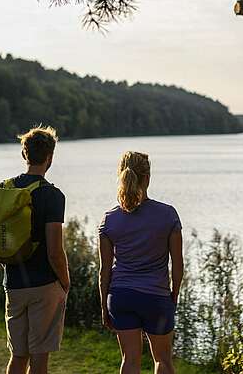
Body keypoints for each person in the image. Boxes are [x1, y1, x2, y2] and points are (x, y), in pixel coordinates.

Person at [98, 151, 184, 374]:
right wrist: (173, 294)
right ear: (147, 178)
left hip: (120, 297)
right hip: (156, 297)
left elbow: (104, 271)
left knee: (129, 360)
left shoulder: (110, 219)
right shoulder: (168, 215)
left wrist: (104, 306)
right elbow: (178, 265)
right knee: (163, 361)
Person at [3, 126, 70, 374]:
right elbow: (55, 250)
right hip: (44, 285)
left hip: (14, 283)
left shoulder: (5, 189)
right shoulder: (53, 196)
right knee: (39, 359)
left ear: (24, 154)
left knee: (18, 356)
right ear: (50, 157)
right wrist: (65, 281)